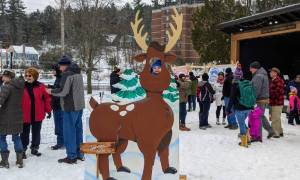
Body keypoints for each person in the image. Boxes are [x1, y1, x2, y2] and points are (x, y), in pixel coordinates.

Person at [46, 55, 85, 164]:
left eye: (60, 65)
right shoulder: (78, 73)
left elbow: (63, 91)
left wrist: (50, 91)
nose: (59, 67)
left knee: (69, 131)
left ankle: (71, 156)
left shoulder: (67, 74)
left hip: (70, 106)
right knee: (78, 130)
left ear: (64, 65)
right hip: (79, 106)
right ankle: (79, 154)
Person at [21, 67, 52, 158]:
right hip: (25, 114)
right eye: (26, 75)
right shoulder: (22, 86)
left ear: (35, 76)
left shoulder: (41, 86)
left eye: (29, 75)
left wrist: (49, 110)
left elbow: (46, 99)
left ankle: (35, 148)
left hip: (37, 114)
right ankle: (22, 150)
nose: (27, 77)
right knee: (24, 133)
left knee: (36, 132)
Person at [0, 70, 24, 168]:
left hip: (5, 117)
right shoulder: (20, 86)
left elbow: (1, 100)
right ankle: (20, 160)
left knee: (1, 137)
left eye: (4, 76)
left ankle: (5, 161)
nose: (2, 78)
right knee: (16, 137)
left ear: (9, 77)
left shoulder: (6, 87)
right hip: (17, 116)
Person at [226, 72, 254, 147]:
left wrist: (228, 109)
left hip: (239, 108)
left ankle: (244, 143)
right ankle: (248, 139)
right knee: (242, 123)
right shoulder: (247, 84)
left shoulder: (235, 85)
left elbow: (231, 98)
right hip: (248, 107)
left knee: (241, 124)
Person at [250, 61, 274, 139]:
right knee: (261, 116)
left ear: (255, 68)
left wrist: (252, 100)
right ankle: (270, 130)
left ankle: (258, 136)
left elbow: (256, 90)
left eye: (251, 68)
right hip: (263, 99)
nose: (250, 70)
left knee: (257, 117)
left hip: (260, 100)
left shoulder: (258, 76)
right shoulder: (262, 74)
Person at [48, 64, 64, 150]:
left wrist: (51, 91)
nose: (52, 71)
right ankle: (61, 142)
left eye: (54, 70)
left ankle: (60, 143)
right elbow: (57, 88)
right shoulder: (58, 78)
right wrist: (51, 87)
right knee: (58, 125)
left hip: (59, 106)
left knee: (59, 125)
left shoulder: (61, 78)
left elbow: (60, 91)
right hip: (56, 105)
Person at [269, 67, 285, 138]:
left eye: (271, 72)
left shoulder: (278, 80)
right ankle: (280, 131)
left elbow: (278, 92)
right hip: (275, 102)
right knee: (277, 118)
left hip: (277, 102)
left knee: (275, 118)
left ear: (275, 73)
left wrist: (269, 93)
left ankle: (275, 133)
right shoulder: (273, 80)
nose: (270, 73)